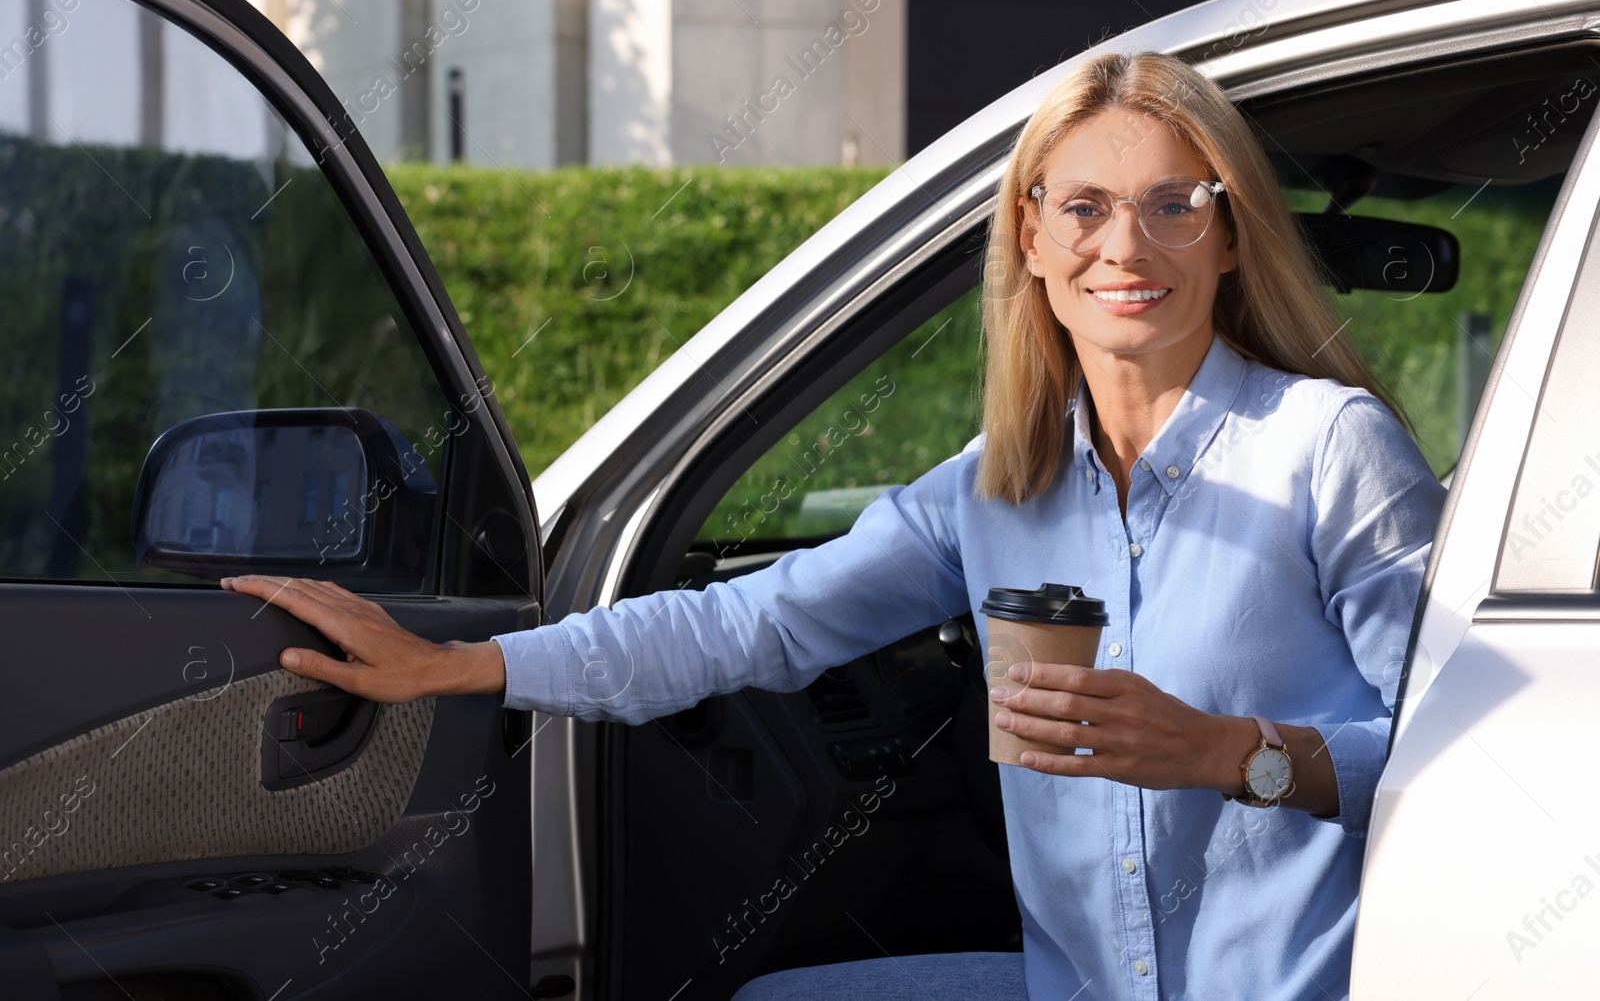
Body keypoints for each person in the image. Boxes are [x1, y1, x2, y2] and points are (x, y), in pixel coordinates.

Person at [222, 49, 1446, 1000]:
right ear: (1028, 232)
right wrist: (468, 663)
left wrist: (1226, 751)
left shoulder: (1327, 448)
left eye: (1175, 203)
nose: (1124, 244)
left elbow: (1464, 754)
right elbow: (747, 624)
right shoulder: (995, 488)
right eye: (1082, 206)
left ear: (1229, 233)